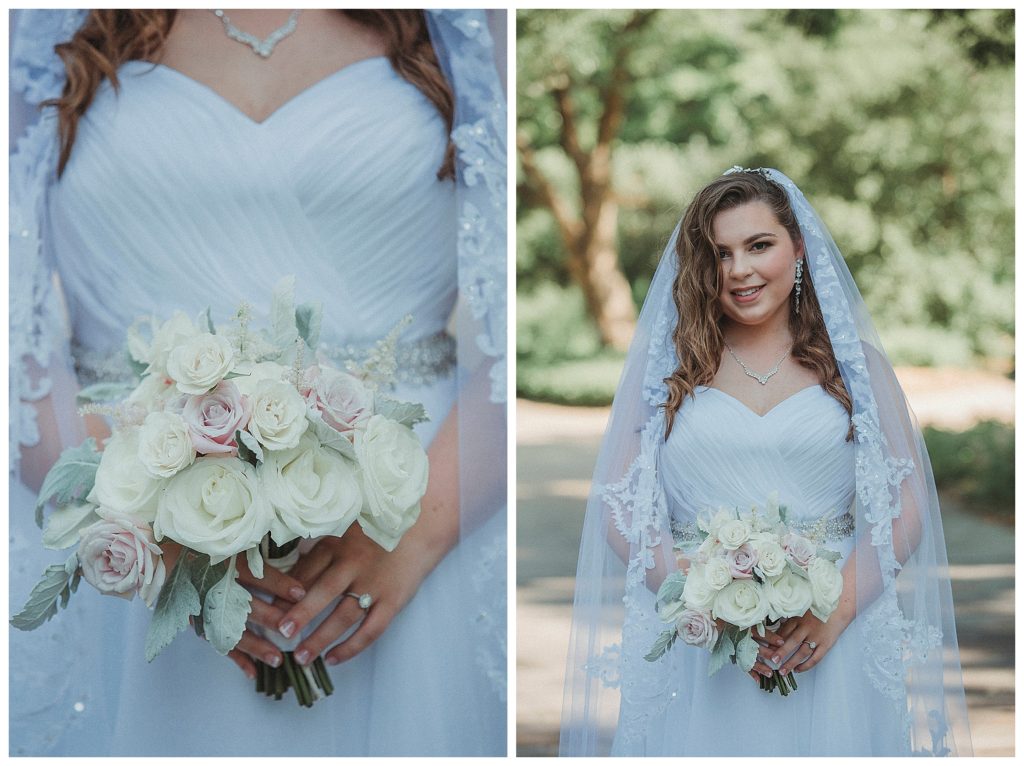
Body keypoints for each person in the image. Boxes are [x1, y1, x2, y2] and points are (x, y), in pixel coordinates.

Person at [9, 9, 506, 756]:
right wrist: (141, 528)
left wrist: (417, 530)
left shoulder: (468, 25)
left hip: (415, 530)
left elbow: (514, 310)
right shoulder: (41, 28)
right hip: (118, 525)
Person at [560, 167, 972, 756]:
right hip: (699, 644)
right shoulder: (668, 372)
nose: (740, 270)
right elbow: (621, 507)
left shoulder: (858, 370)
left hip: (829, 634)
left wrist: (836, 614)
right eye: (721, 253)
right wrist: (704, 597)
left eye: (759, 245)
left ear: (798, 247)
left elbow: (906, 507)